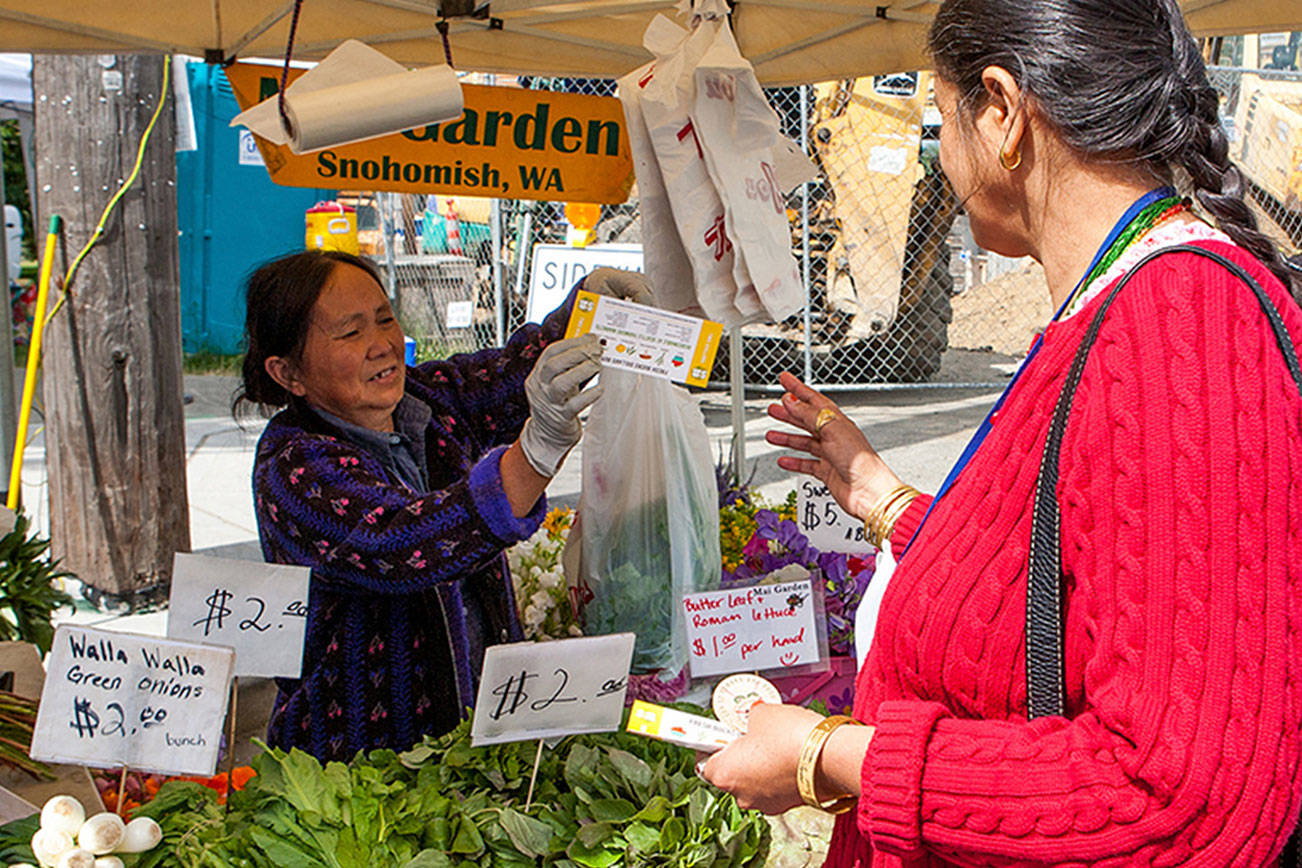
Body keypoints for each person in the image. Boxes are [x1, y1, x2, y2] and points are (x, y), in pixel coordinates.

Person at [700, 0, 1302, 864]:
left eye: (944, 119)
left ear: (1001, 112)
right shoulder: (1120, 307)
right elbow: (1064, 591)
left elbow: (1177, 796)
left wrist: (826, 756)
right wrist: (886, 499)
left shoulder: (1185, 320)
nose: (945, 158)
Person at [235, 251, 651, 761]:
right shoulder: (293, 465)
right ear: (288, 373)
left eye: (385, 319)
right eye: (350, 333)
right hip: (361, 766)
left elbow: (509, 376)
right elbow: (406, 542)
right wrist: (535, 454)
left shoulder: (428, 400)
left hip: (475, 738)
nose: (380, 345)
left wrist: (588, 310)